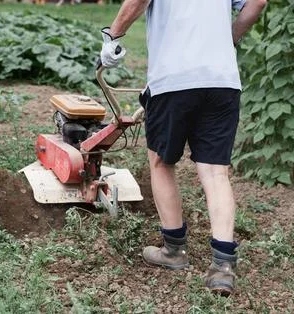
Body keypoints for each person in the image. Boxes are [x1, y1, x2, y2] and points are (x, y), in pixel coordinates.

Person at [100, 0, 267, 296]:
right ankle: (223, 266)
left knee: (162, 162)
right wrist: (229, 38)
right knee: (216, 173)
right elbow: (257, 3)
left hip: (173, 80)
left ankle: (174, 251)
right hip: (222, 80)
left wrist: (112, 37)